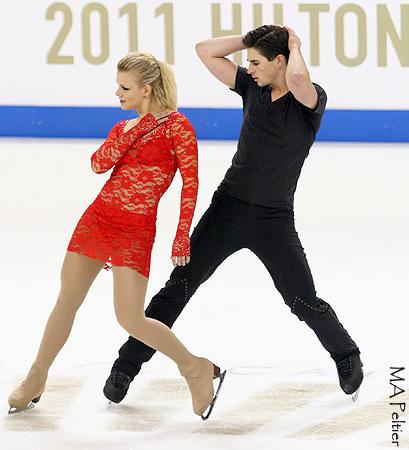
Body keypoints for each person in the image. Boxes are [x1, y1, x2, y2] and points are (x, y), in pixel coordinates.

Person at [103, 25, 363, 405]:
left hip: (273, 219)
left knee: (301, 299)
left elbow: (297, 77)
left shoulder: (311, 101)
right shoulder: (252, 88)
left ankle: (346, 355)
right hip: (227, 209)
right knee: (179, 287)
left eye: (257, 62)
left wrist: (292, 43)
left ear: (279, 61)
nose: (249, 68)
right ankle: (125, 367)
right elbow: (204, 49)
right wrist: (250, 39)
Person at [8, 51, 224, 419]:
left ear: (147, 89)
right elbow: (97, 164)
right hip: (98, 220)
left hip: (136, 230)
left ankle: (194, 368)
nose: (117, 94)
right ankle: (37, 375)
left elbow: (191, 183)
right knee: (67, 300)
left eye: (125, 87)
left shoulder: (178, 127)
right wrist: (134, 130)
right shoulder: (122, 128)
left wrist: (181, 234)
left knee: (130, 318)